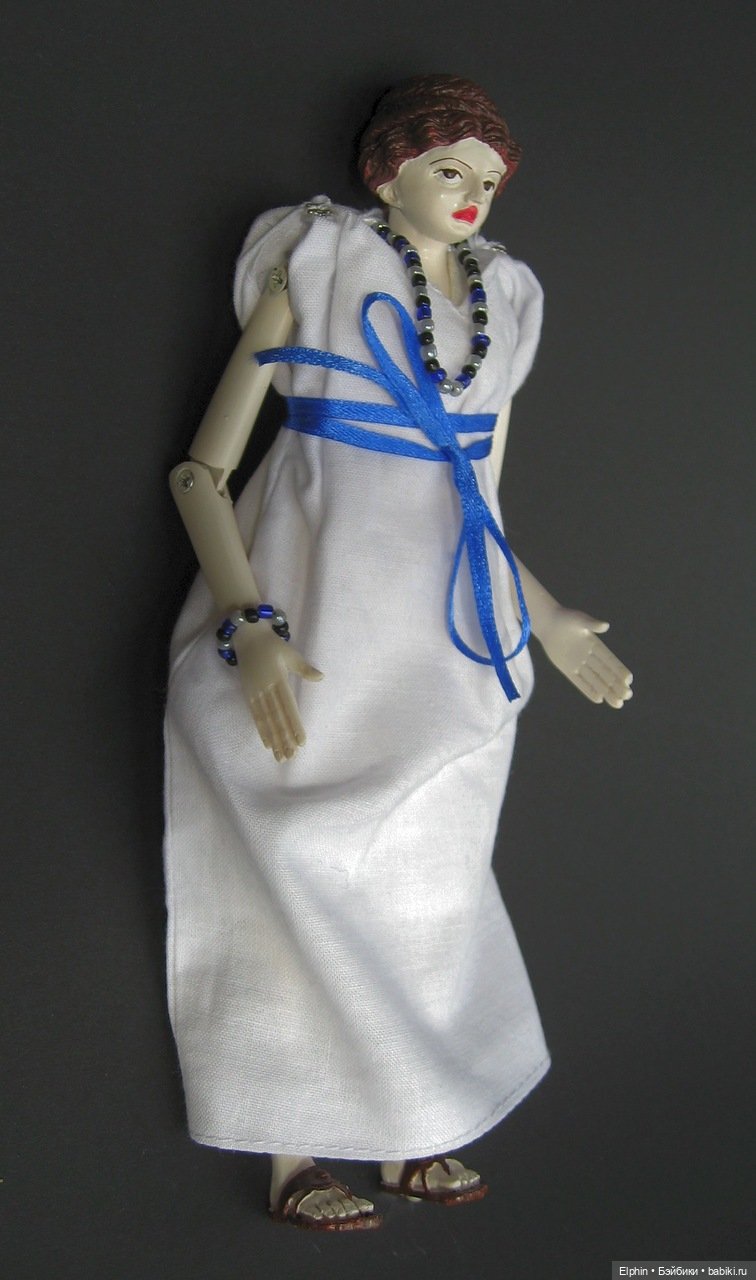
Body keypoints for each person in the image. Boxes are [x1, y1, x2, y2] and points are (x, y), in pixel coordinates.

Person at [164, 74, 632, 1231]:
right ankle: (292, 1143)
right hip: (310, 605)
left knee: (435, 874)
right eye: (447, 168)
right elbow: (201, 472)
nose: (470, 193)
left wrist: (544, 614)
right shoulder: (317, 266)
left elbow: (481, 493)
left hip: (446, 624)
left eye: (488, 178)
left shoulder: (503, 298)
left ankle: (418, 1121)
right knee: (293, 856)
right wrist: (248, 618)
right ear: (389, 172)